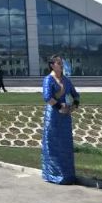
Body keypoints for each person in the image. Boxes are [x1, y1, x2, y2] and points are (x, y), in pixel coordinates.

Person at [41, 54, 80, 184]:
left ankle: (67, 174)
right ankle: (53, 174)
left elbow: (75, 94)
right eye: (59, 63)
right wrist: (59, 106)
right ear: (52, 65)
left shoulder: (66, 80)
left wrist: (74, 106)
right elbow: (47, 97)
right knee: (53, 143)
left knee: (65, 144)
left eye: (62, 63)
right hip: (53, 115)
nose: (61, 65)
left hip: (65, 117)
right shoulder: (48, 79)